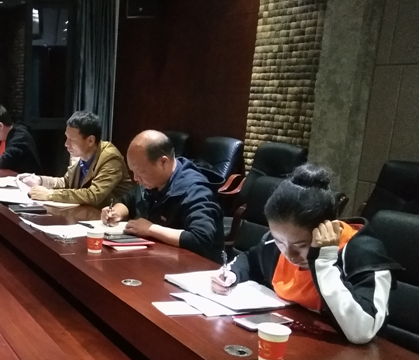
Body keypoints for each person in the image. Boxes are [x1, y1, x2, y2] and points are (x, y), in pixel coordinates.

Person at [212, 165, 399, 344]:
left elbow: (362, 331)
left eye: (301, 245)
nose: (289, 254)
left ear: (326, 229)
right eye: (279, 241)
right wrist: (231, 273)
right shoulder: (282, 240)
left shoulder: (364, 252)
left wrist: (324, 262)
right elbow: (251, 259)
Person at [101, 130, 225, 262]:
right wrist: (117, 212)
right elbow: (127, 201)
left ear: (163, 162)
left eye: (140, 171)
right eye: (133, 171)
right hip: (159, 258)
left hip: (197, 266)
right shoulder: (153, 181)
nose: (136, 178)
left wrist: (151, 229)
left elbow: (201, 239)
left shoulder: (195, 190)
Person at [16, 111, 133, 208]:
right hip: (86, 214)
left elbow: (93, 195)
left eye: (72, 139)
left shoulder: (111, 158)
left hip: (112, 219)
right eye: (66, 137)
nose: (66, 144)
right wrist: (40, 180)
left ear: (90, 141)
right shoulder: (78, 155)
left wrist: (50, 194)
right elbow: (67, 182)